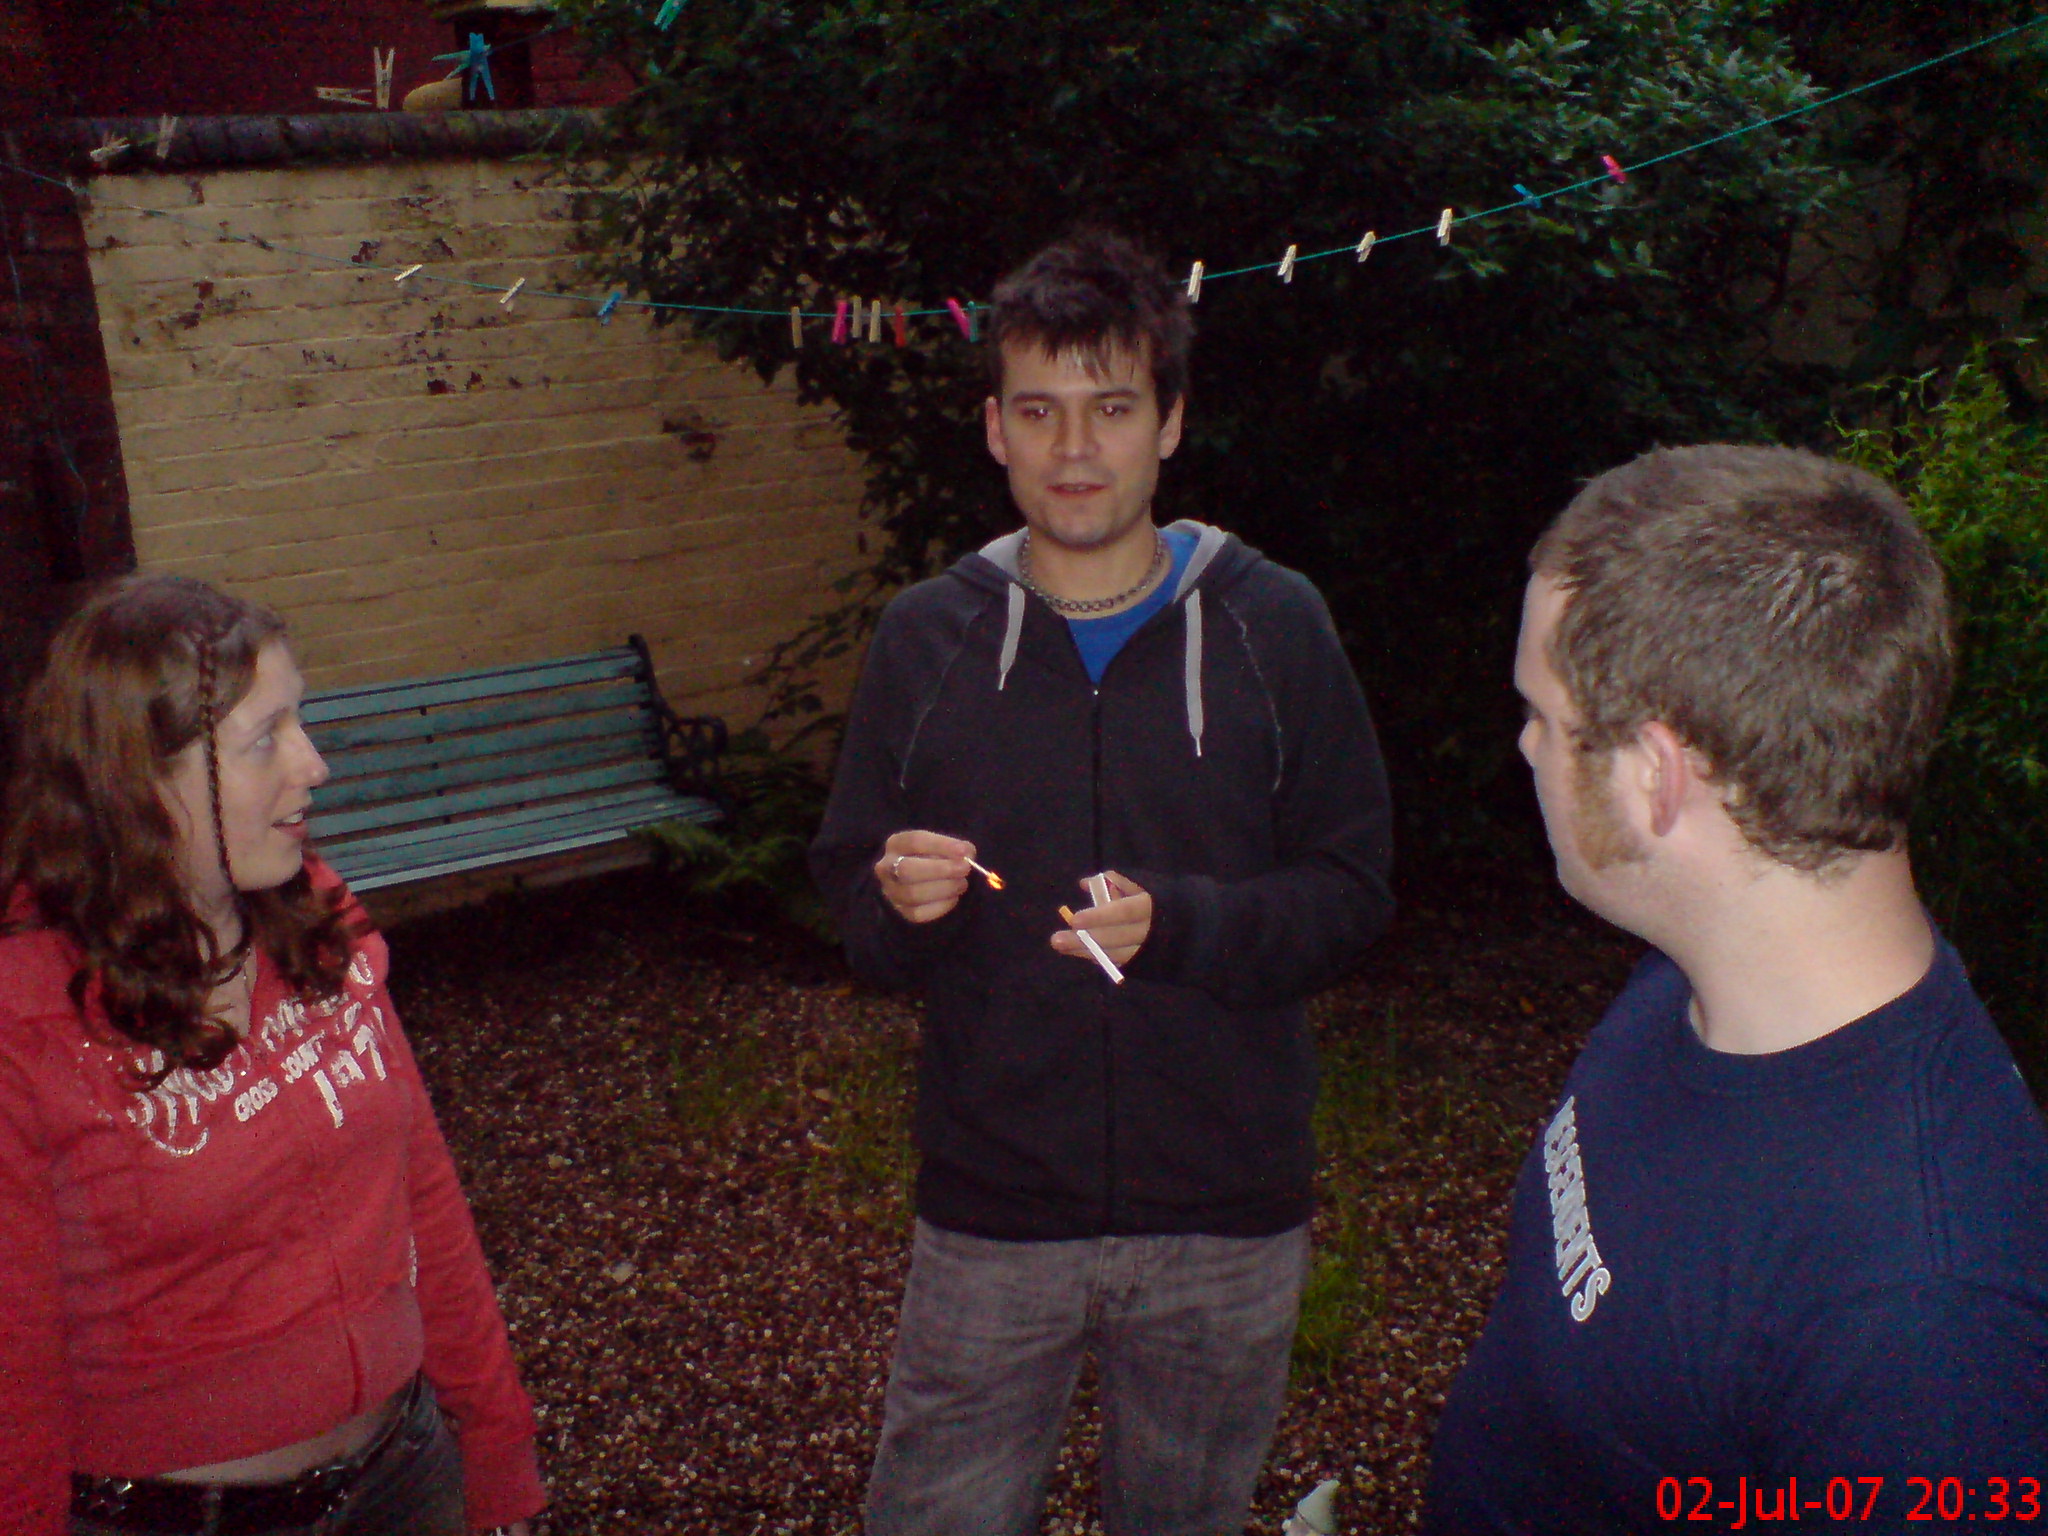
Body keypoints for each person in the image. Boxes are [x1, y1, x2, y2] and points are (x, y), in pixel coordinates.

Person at [810, 230, 1395, 1536]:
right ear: (995, 430)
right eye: (1040, 410)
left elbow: (1355, 889)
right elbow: (852, 903)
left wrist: (1186, 925)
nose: (1076, 449)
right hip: (993, 1218)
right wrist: (898, 910)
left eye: (1112, 408)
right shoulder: (927, 639)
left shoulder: (1273, 623)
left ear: (1170, 425)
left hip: (1224, 1222)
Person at [1425, 446, 2048, 1532]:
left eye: (1542, 711)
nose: (1523, 742)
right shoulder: (1690, 987)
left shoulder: (1924, 1317)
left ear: (1656, 778)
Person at [0, 574, 545, 1536]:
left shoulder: (314, 922)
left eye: (303, 721)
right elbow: (14, 1362)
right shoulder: (31, 1017)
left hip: (404, 1477)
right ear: (137, 786)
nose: (315, 765)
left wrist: (496, 1444)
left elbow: (424, 1196)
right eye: (265, 740)